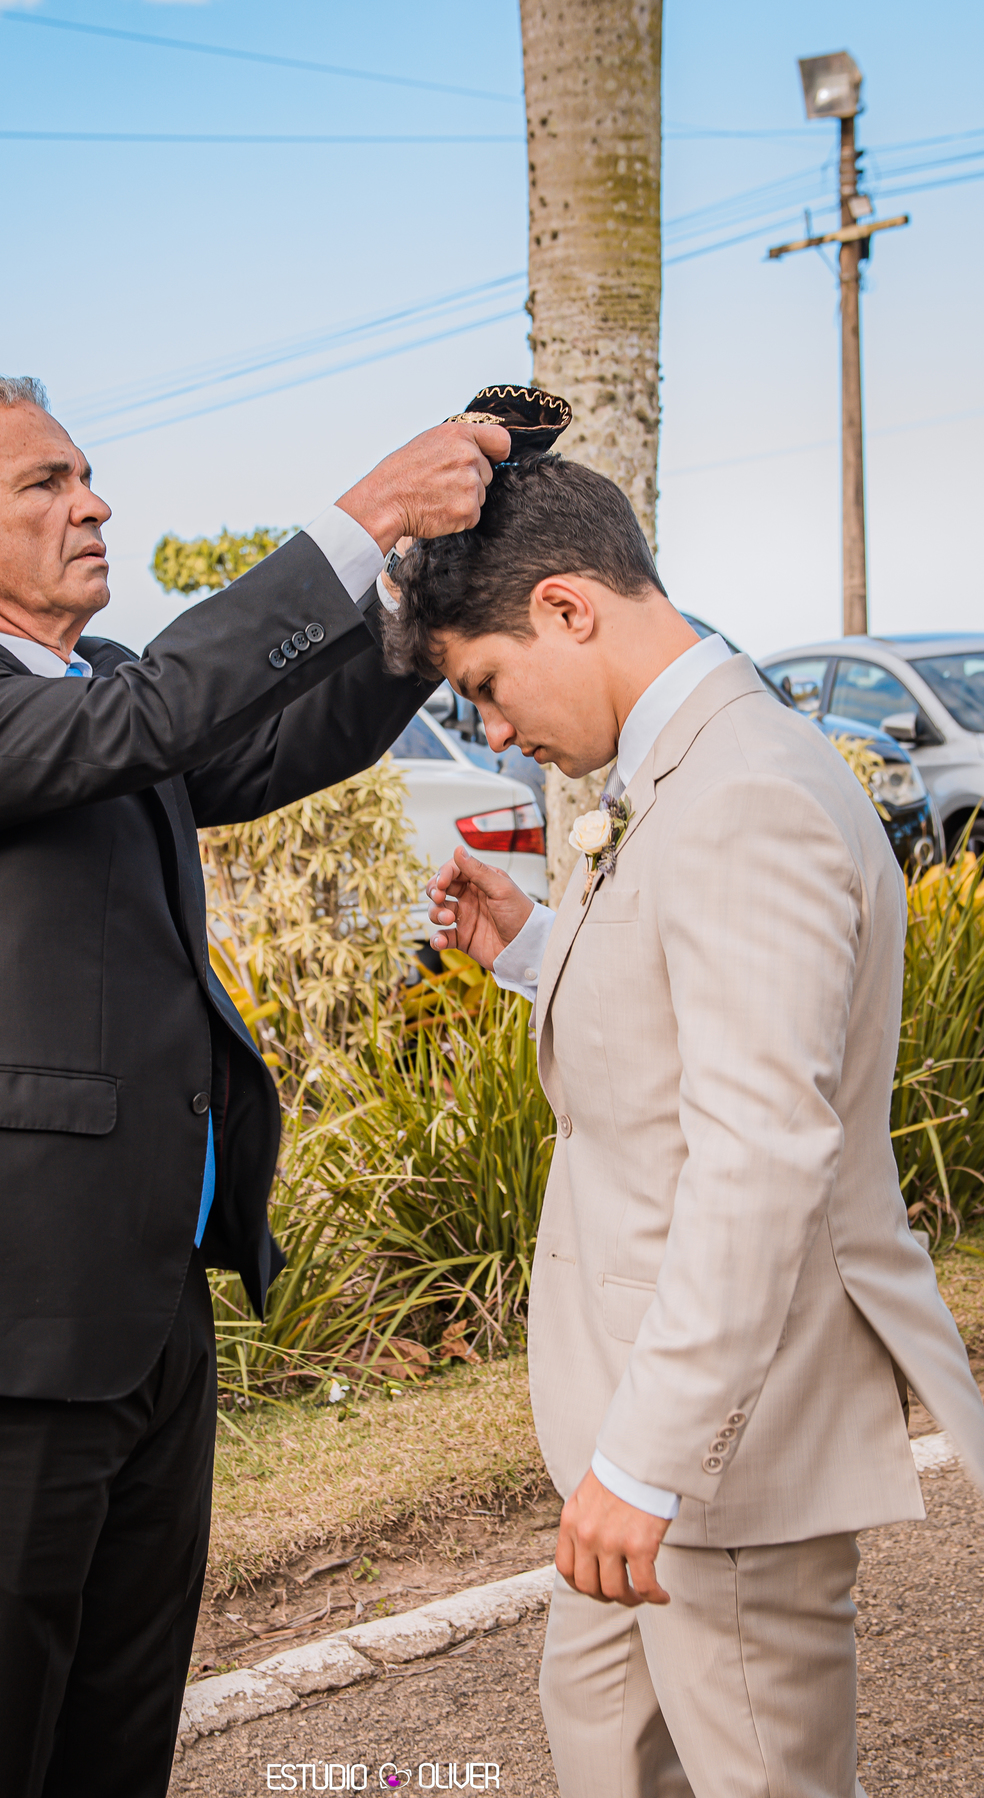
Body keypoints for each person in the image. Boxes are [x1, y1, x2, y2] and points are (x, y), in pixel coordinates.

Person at [0, 374, 510, 1798]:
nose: (96, 503)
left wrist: (423, 599)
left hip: (145, 1314)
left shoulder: (103, 690)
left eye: (88, 477)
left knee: (117, 1741)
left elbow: (268, 739)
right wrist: (366, 510)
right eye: (48, 482)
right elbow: (165, 710)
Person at [394, 453, 984, 1798]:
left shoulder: (742, 794)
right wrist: (535, 942)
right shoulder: (698, 767)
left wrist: (649, 1462)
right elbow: (688, 1026)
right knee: (602, 1737)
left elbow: (761, 1149)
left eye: (481, 684)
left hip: (722, 1447)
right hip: (642, 1422)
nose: (486, 732)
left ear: (565, 608)